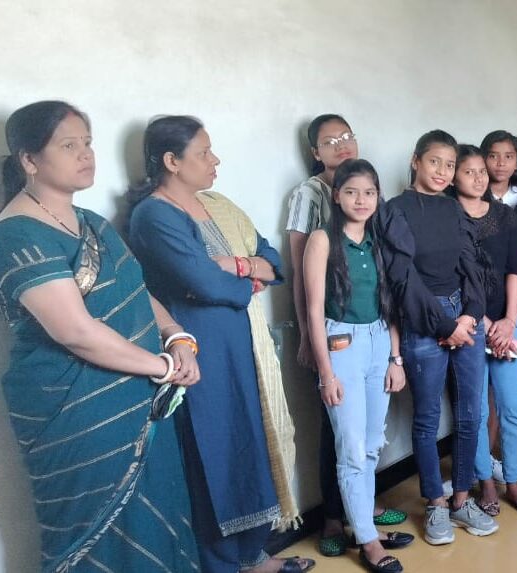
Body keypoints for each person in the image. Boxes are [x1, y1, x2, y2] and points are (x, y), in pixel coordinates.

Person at [0, 101, 201, 573]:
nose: (86, 154)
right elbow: (75, 331)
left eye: (87, 143)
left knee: (158, 517)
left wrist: (176, 336)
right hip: (77, 413)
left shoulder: (92, 223)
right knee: (98, 539)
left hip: (142, 398)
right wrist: (163, 367)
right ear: (29, 160)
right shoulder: (13, 235)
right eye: (69, 145)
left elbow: (138, 291)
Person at [128, 116, 309, 572]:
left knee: (250, 441)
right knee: (213, 450)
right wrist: (242, 277)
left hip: (241, 345)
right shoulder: (154, 214)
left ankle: (251, 554)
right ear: (171, 161)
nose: (215, 160)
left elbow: (271, 259)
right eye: (204, 153)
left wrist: (237, 265)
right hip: (200, 349)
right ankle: (221, 563)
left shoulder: (217, 207)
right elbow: (203, 282)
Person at [284, 114, 406, 558]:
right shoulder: (322, 239)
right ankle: (369, 543)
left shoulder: (378, 240)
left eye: (369, 192)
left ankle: (362, 524)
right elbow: (315, 310)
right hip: (342, 345)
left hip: (378, 341)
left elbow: (390, 303)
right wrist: (326, 372)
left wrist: (395, 359)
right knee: (351, 448)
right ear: (336, 195)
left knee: (372, 444)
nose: (361, 199)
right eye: (351, 192)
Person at [372, 130, 497, 546]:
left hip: (464, 316)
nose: (443, 172)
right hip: (423, 321)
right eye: (434, 162)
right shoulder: (395, 210)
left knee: (470, 414)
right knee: (426, 419)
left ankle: (461, 498)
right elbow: (402, 278)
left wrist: (470, 314)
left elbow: (472, 264)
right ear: (415, 161)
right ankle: (436, 504)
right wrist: (446, 326)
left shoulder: (452, 208)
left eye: (449, 165)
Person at [450, 145, 517, 517]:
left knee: (511, 406)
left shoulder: (506, 216)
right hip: (468, 326)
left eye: (481, 172)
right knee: (474, 409)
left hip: (508, 324)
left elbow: (516, 269)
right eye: (468, 171)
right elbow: (450, 277)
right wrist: (484, 323)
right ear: (454, 176)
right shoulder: (448, 217)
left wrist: (509, 320)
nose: (477, 178)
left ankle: (513, 480)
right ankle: (485, 481)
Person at [481, 130, 517, 207]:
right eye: (493, 156)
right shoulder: (474, 195)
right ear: (482, 160)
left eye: (508, 157)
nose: (501, 163)